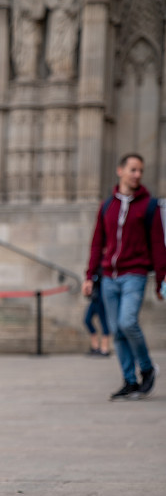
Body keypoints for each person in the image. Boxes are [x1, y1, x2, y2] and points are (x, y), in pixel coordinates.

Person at [83, 153, 166, 400]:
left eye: (140, 170)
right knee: (117, 331)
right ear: (120, 171)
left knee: (127, 322)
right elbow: (97, 242)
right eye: (132, 169)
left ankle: (147, 367)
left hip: (135, 274)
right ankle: (129, 380)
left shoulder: (148, 206)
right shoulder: (107, 205)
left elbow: (159, 245)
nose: (137, 174)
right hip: (109, 276)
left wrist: (161, 279)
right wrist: (89, 275)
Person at [83, 272, 111, 356]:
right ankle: (95, 347)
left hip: (101, 297)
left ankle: (105, 349)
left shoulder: (102, 266)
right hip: (94, 297)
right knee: (87, 320)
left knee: (103, 322)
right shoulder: (93, 270)